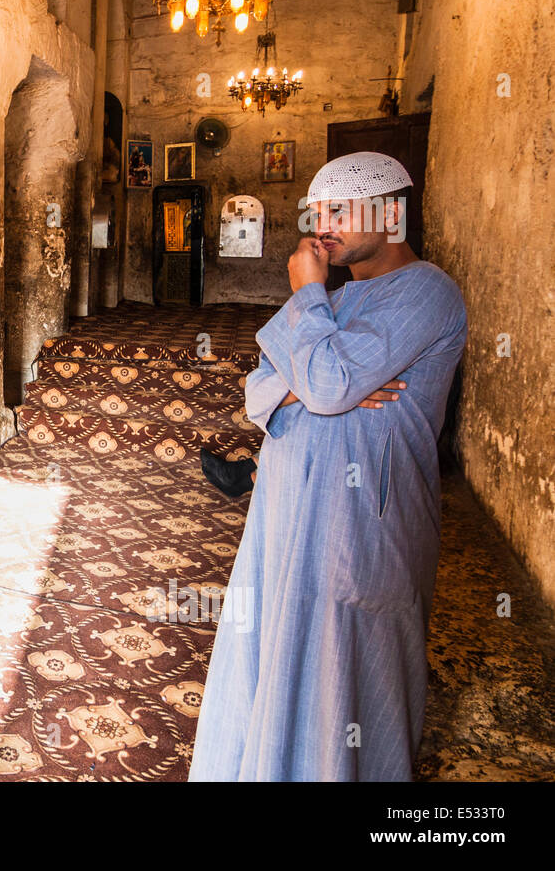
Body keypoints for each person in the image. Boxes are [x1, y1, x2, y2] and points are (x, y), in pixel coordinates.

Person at [188, 152, 467, 781]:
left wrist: (309, 311)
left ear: (391, 213)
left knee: (341, 668)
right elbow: (259, 390)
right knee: (273, 650)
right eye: (317, 213)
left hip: (358, 521)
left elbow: (329, 383)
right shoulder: (338, 302)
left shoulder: (427, 291)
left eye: (339, 210)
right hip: (286, 511)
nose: (322, 227)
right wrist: (307, 381)